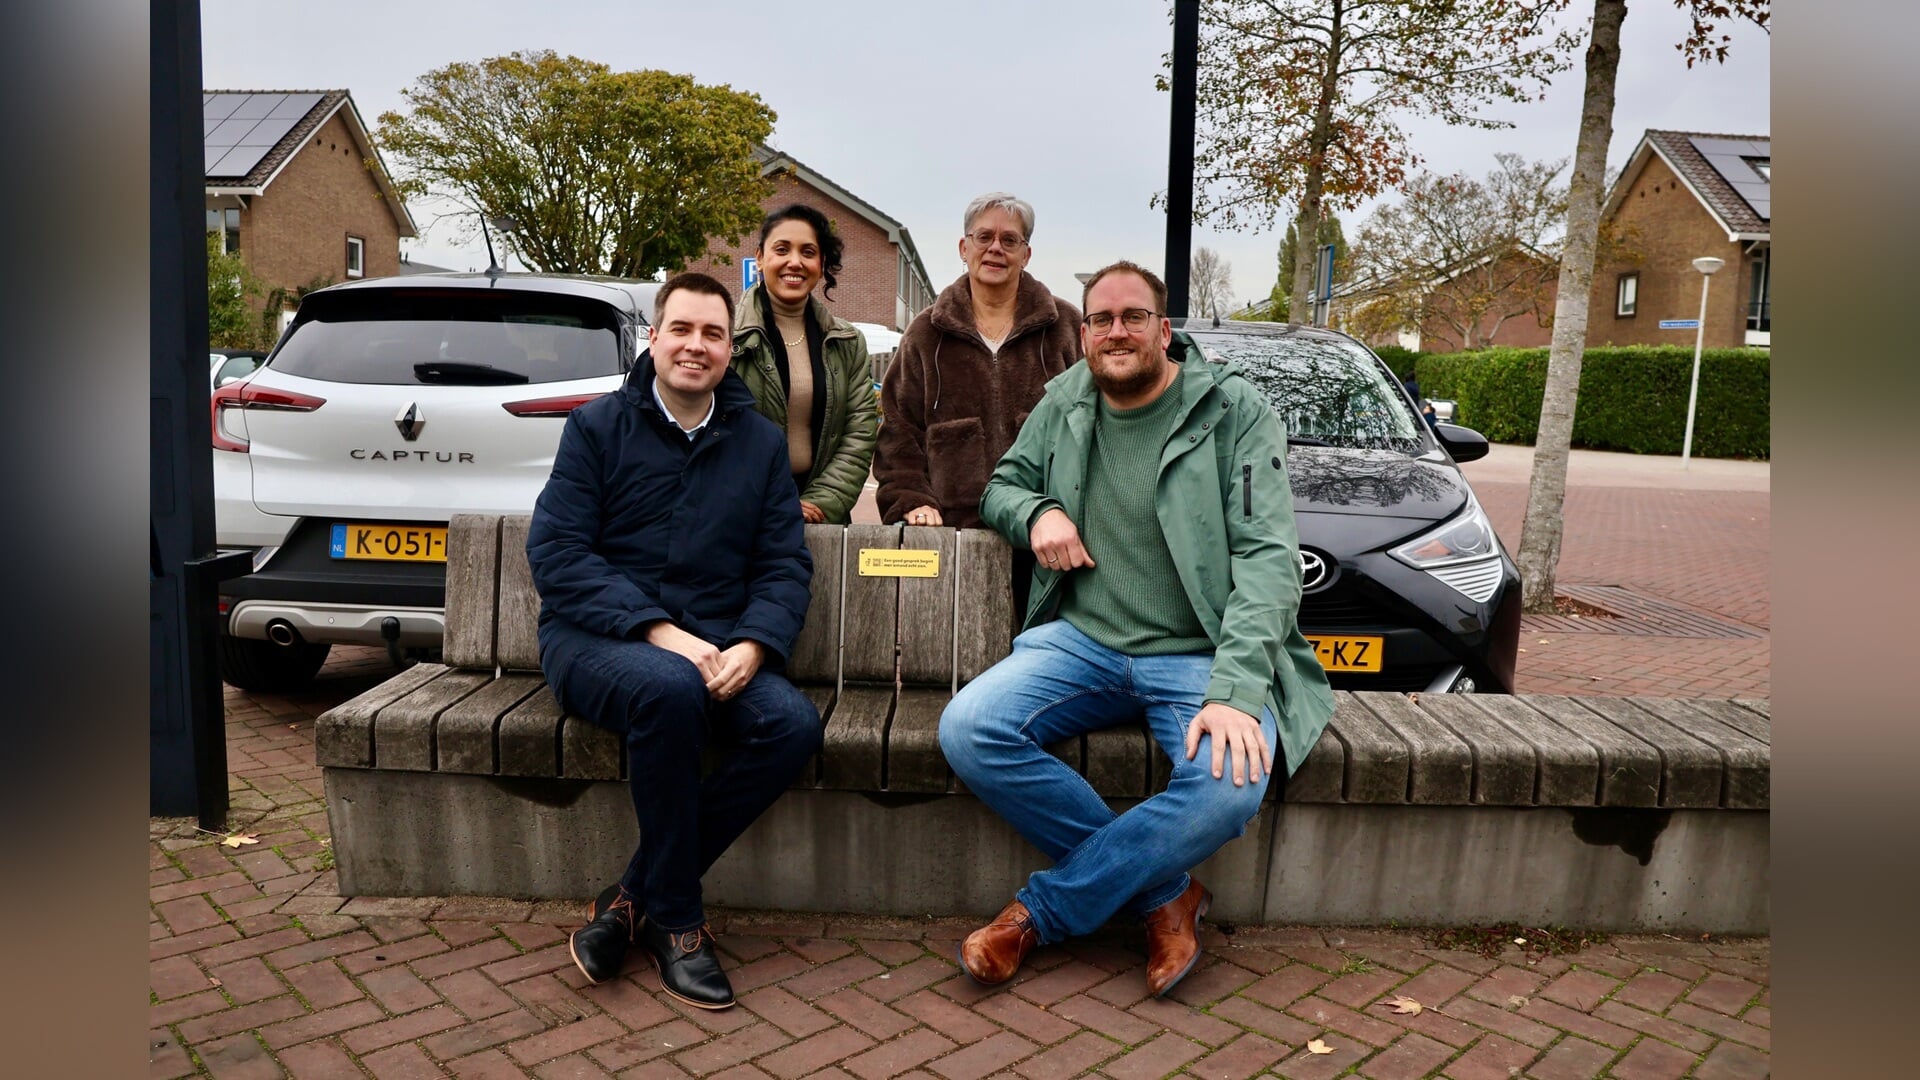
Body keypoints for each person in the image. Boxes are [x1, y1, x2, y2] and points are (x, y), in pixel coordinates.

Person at [939, 260, 1335, 997]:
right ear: (1084, 332)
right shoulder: (1066, 401)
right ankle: (1165, 894)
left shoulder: (1234, 410)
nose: (1116, 331)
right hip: (1081, 642)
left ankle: (1040, 914)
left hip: (1201, 653)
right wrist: (1038, 513)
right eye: (1101, 319)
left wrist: (1235, 691)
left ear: (1164, 329)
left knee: (1227, 789)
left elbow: (1269, 560)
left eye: (1133, 317)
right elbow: (1002, 487)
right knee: (969, 728)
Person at [526, 272, 821, 1011]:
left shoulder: (758, 444)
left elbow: (783, 564)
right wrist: (658, 631)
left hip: (716, 649)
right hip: (594, 640)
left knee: (790, 725)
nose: (696, 346)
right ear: (653, 338)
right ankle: (681, 924)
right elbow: (558, 553)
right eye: (681, 330)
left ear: (729, 349)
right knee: (669, 686)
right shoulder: (596, 428)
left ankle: (634, 900)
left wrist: (755, 644)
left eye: (713, 333)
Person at [873, 193, 1081, 596]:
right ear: (964, 248)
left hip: (1048, 541)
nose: (995, 248)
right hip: (953, 540)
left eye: (1010, 240)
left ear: (1026, 254)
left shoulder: (1066, 327)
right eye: (984, 237)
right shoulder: (925, 335)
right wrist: (911, 499)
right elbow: (899, 432)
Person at [733, 204, 879, 524]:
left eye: (808, 252)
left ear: (821, 264)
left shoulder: (847, 341)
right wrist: (772, 504)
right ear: (760, 258)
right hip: (744, 515)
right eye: (782, 249)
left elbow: (860, 432)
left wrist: (821, 503)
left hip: (819, 516)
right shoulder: (728, 338)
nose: (795, 261)